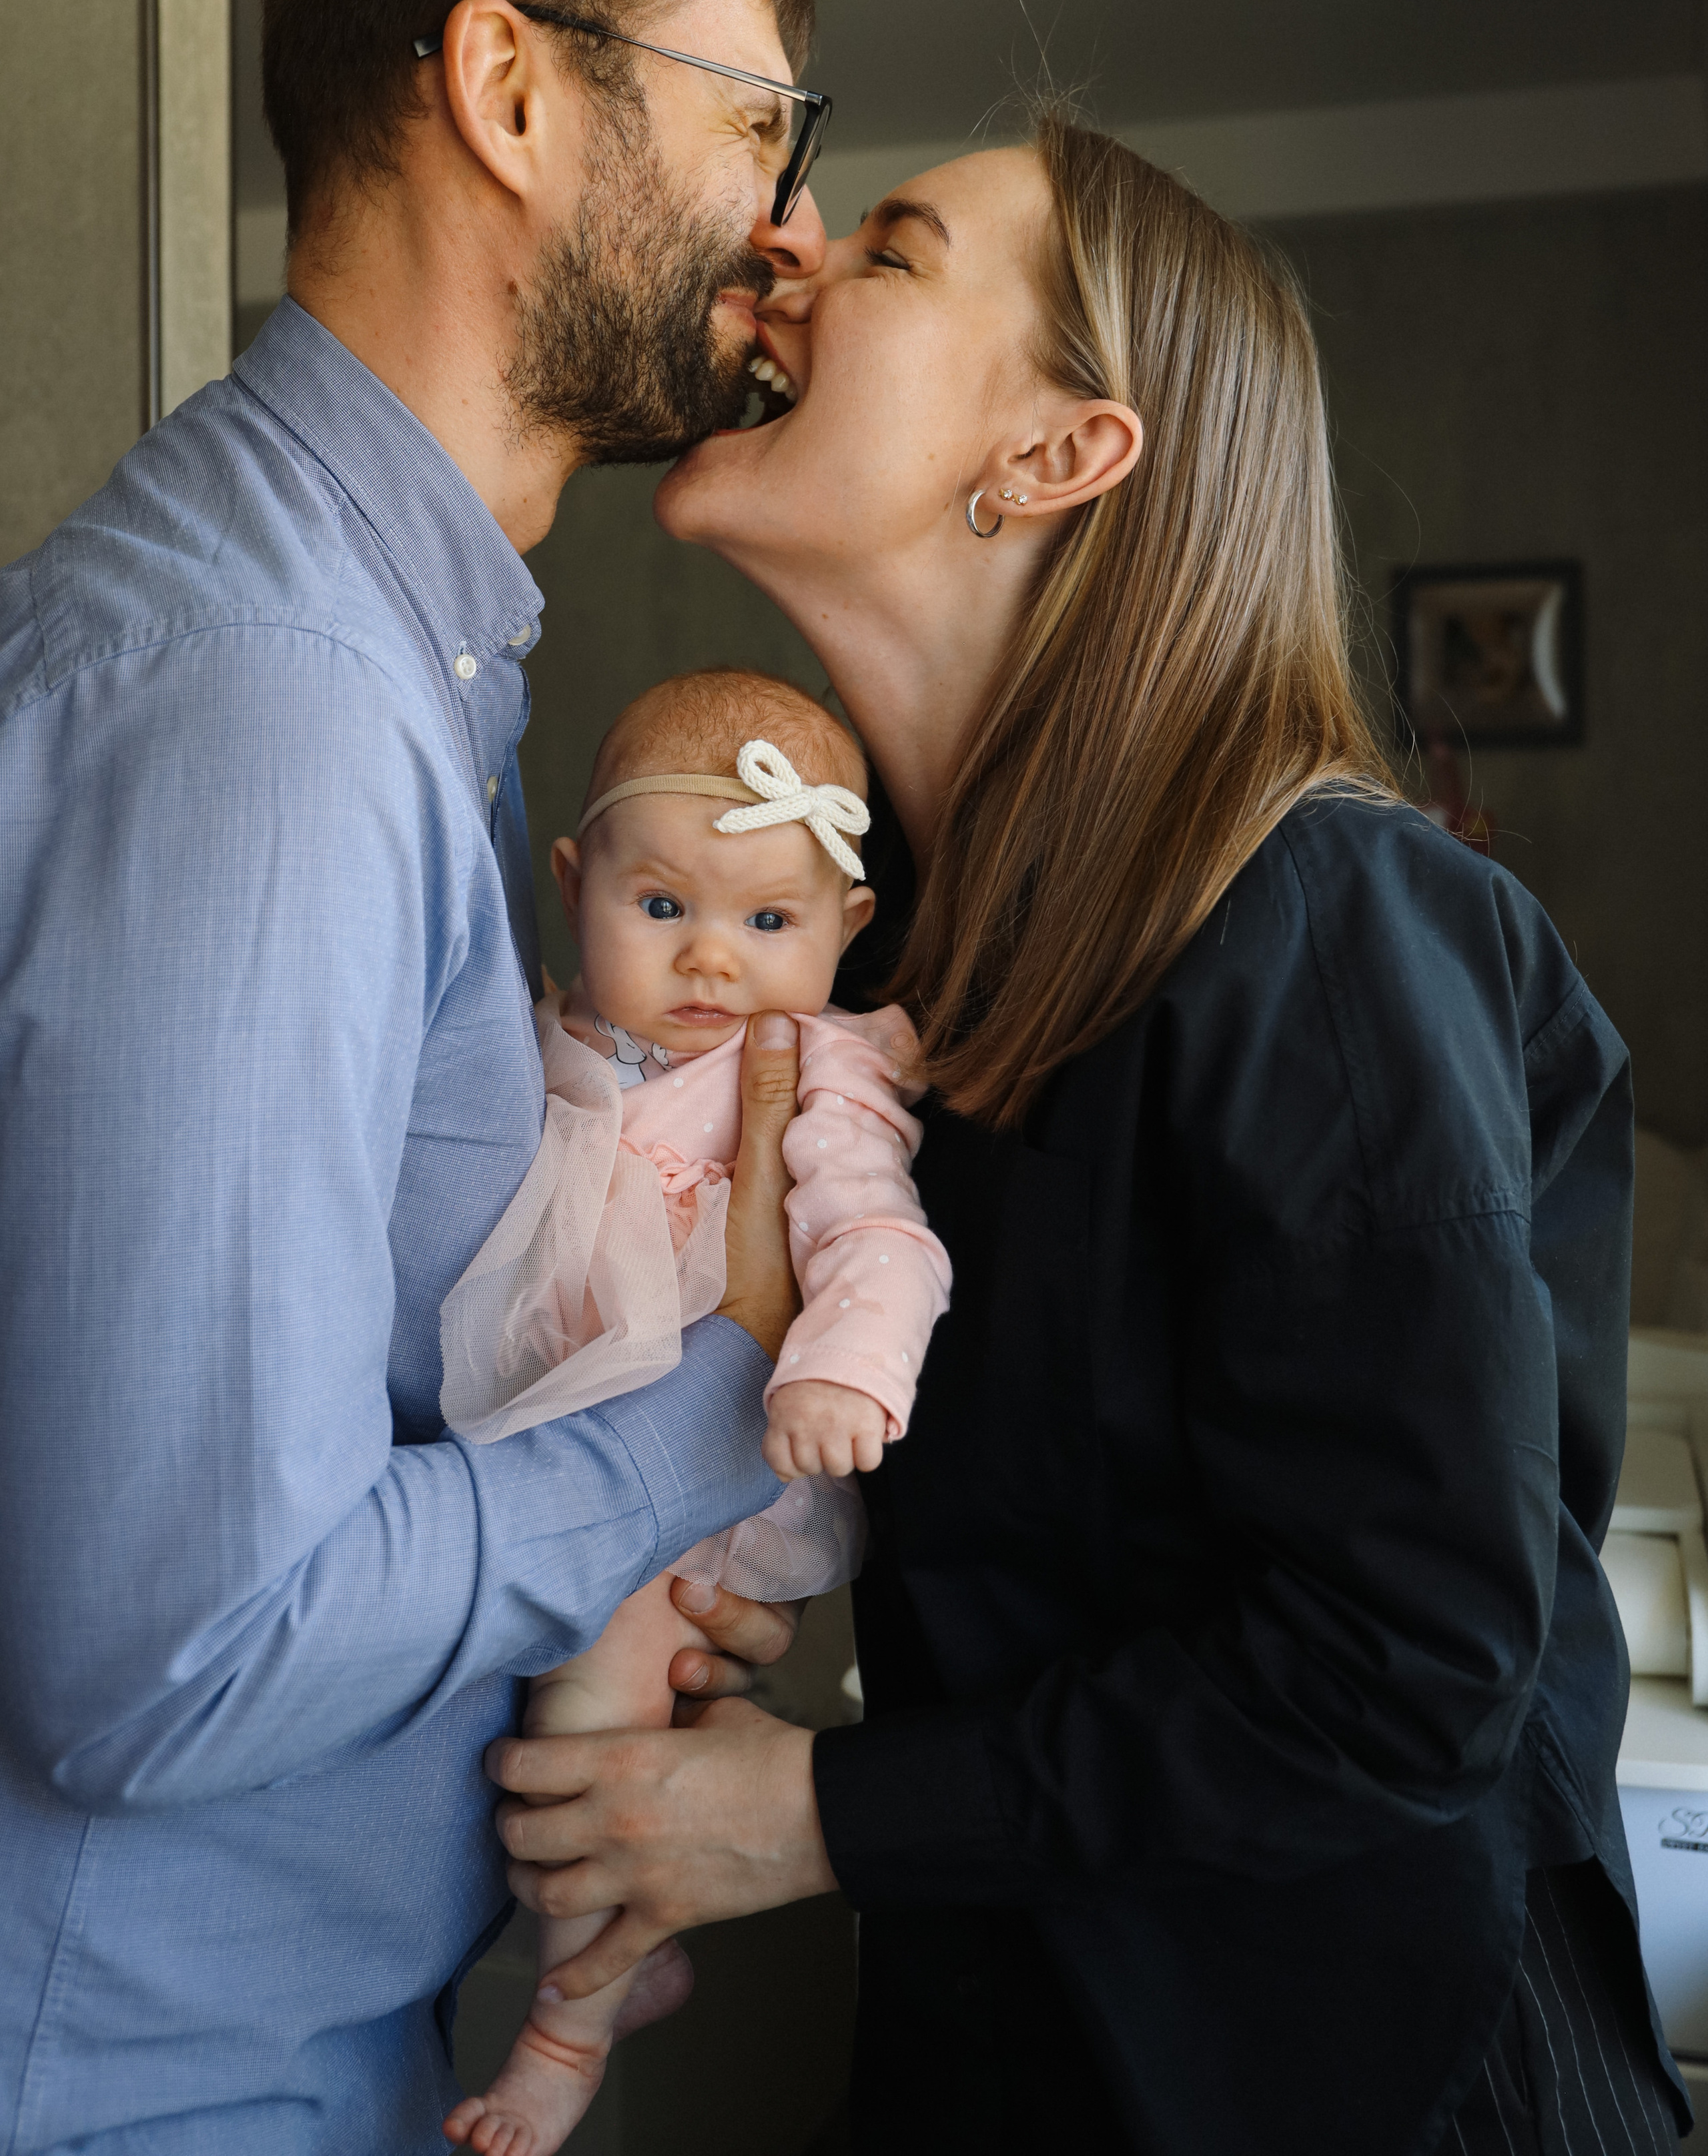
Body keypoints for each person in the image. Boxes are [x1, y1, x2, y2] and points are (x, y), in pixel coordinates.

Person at [485, 119, 1691, 2153]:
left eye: (888, 249)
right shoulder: (910, 984)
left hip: (1375, 2084)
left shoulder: (1329, 928)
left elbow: (1408, 1670)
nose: (784, 252)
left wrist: (811, 1811)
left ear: (1052, 457)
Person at [0, 0, 829, 2151]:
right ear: (509, 93)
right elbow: (165, 1655)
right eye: (750, 121)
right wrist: (703, 1423)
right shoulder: (272, 710)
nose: (785, 228)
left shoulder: (395, 674)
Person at [441, 666, 950, 2155]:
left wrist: (841, 1370)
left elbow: (878, 1242)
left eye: (769, 922)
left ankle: (566, 2029)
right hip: (559, 1451)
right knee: (534, 1732)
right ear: (572, 881)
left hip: (714, 1468)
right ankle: (634, 1953)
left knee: (585, 1743)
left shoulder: (819, 1078)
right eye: (661, 909)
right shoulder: (549, 1042)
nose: (712, 960)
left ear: (845, 929)